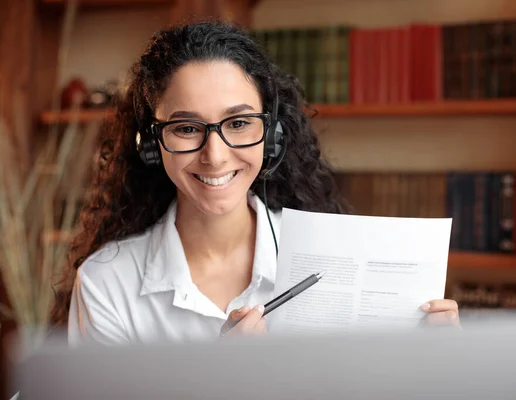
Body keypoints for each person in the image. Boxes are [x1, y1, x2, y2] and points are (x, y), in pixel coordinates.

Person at [55, 20, 460, 346]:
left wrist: (434, 366)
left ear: (273, 136)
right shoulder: (108, 283)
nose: (214, 155)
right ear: (150, 144)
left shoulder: (332, 261)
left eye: (238, 123)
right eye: (186, 128)